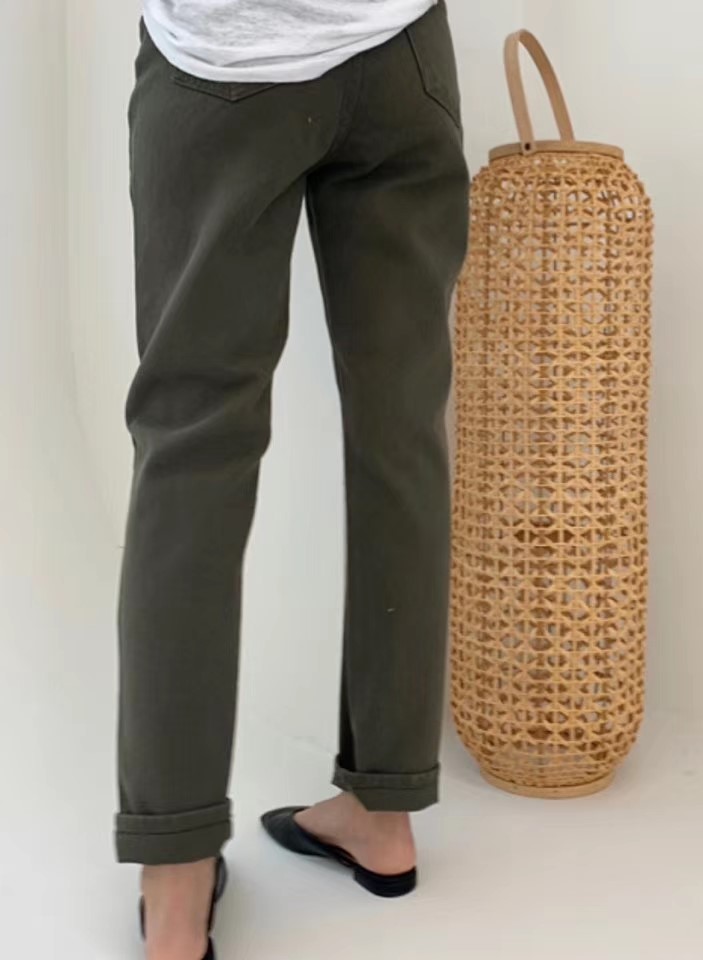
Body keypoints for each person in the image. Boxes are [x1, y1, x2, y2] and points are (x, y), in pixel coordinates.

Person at [116, 2, 469, 957]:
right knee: (402, 431)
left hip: (226, 64)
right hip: (399, 52)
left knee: (193, 451)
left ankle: (177, 875)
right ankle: (384, 813)